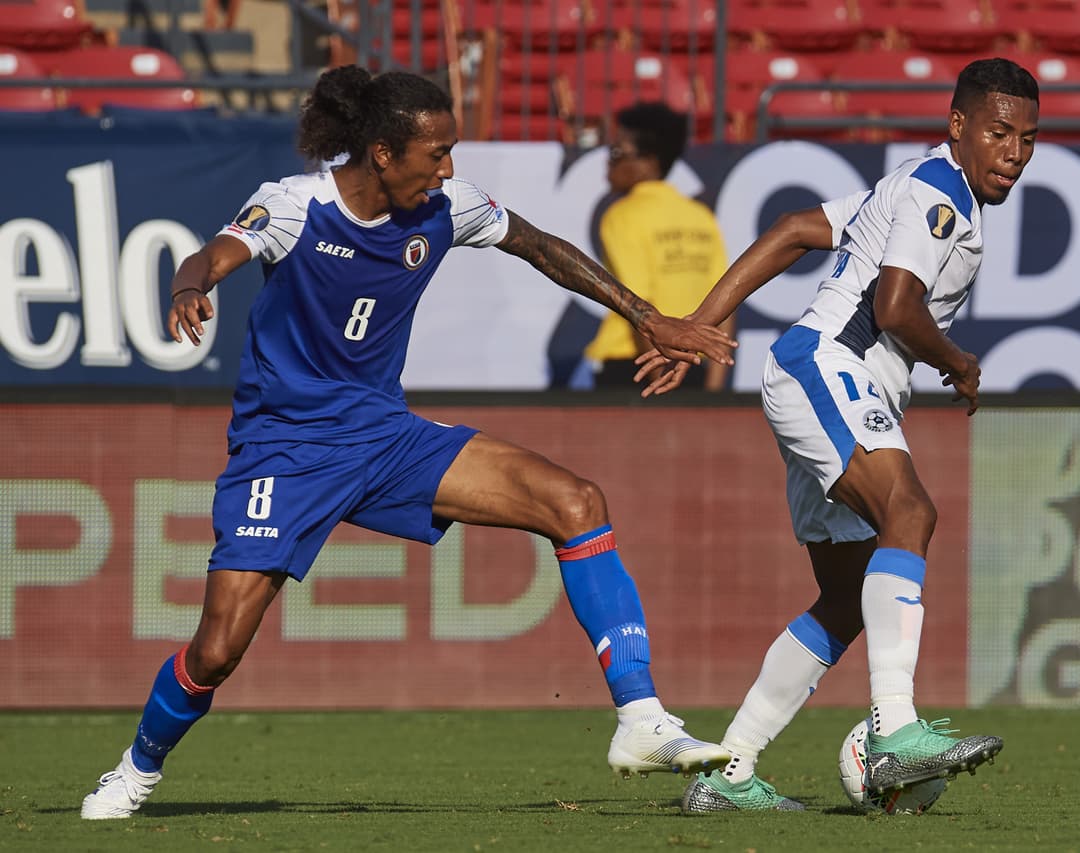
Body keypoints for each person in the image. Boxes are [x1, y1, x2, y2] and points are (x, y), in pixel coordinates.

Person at [80, 66, 737, 820]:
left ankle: (641, 716)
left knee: (576, 500)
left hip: (385, 437)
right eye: (436, 153)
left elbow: (540, 245)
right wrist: (189, 288)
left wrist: (646, 314)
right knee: (218, 649)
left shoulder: (445, 205)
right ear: (383, 153)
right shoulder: (297, 206)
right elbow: (214, 254)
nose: (449, 168)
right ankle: (136, 769)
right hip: (284, 450)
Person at [634, 58, 1040, 812]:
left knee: (848, 598)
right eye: (998, 133)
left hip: (813, 373)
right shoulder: (937, 190)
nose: (1013, 152)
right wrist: (957, 362)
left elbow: (793, 230)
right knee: (911, 512)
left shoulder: (910, 182)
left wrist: (701, 319)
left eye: (1027, 138)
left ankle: (729, 773)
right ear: (959, 126)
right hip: (831, 365)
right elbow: (894, 305)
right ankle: (895, 730)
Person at [583, 102, 734, 391]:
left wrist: (660, 383)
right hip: (693, 365)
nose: (607, 161)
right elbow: (726, 305)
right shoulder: (700, 216)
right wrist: (714, 390)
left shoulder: (622, 215)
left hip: (635, 365)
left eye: (616, 152)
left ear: (649, 160)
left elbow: (640, 302)